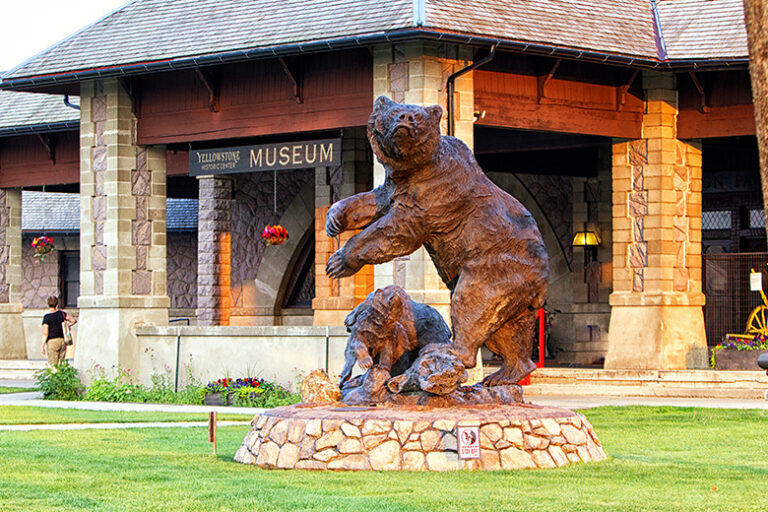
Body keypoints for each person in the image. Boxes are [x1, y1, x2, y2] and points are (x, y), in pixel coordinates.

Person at [41, 296, 77, 367]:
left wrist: (42, 345)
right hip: (62, 340)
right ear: (56, 304)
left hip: (52, 342)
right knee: (60, 364)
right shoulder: (62, 314)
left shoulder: (47, 317)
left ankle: (54, 377)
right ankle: (60, 376)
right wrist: (67, 326)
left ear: (48, 304)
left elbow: (45, 332)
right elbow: (73, 320)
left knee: (53, 365)